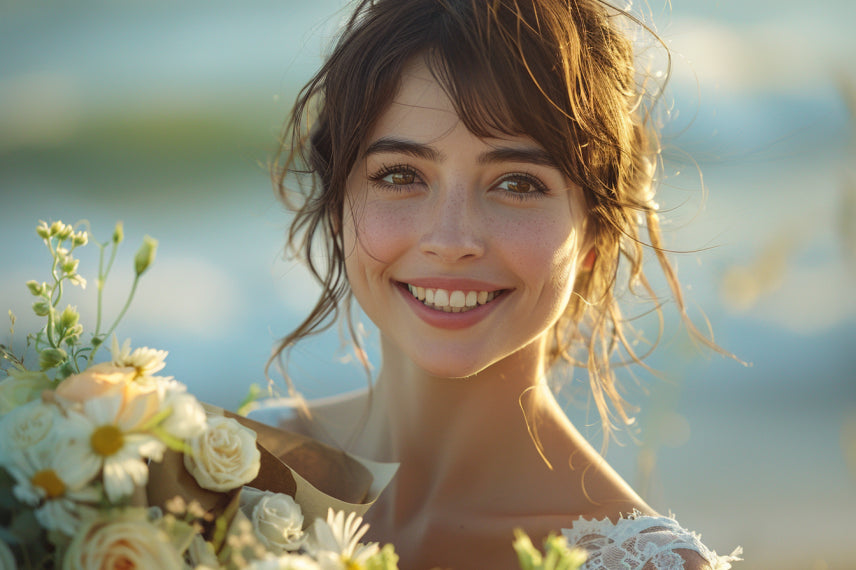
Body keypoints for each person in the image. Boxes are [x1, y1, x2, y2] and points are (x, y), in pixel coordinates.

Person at [255, 0, 742, 568]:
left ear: (595, 233)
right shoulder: (227, 471)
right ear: (338, 206)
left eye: (516, 183)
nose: (452, 238)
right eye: (400, 175)